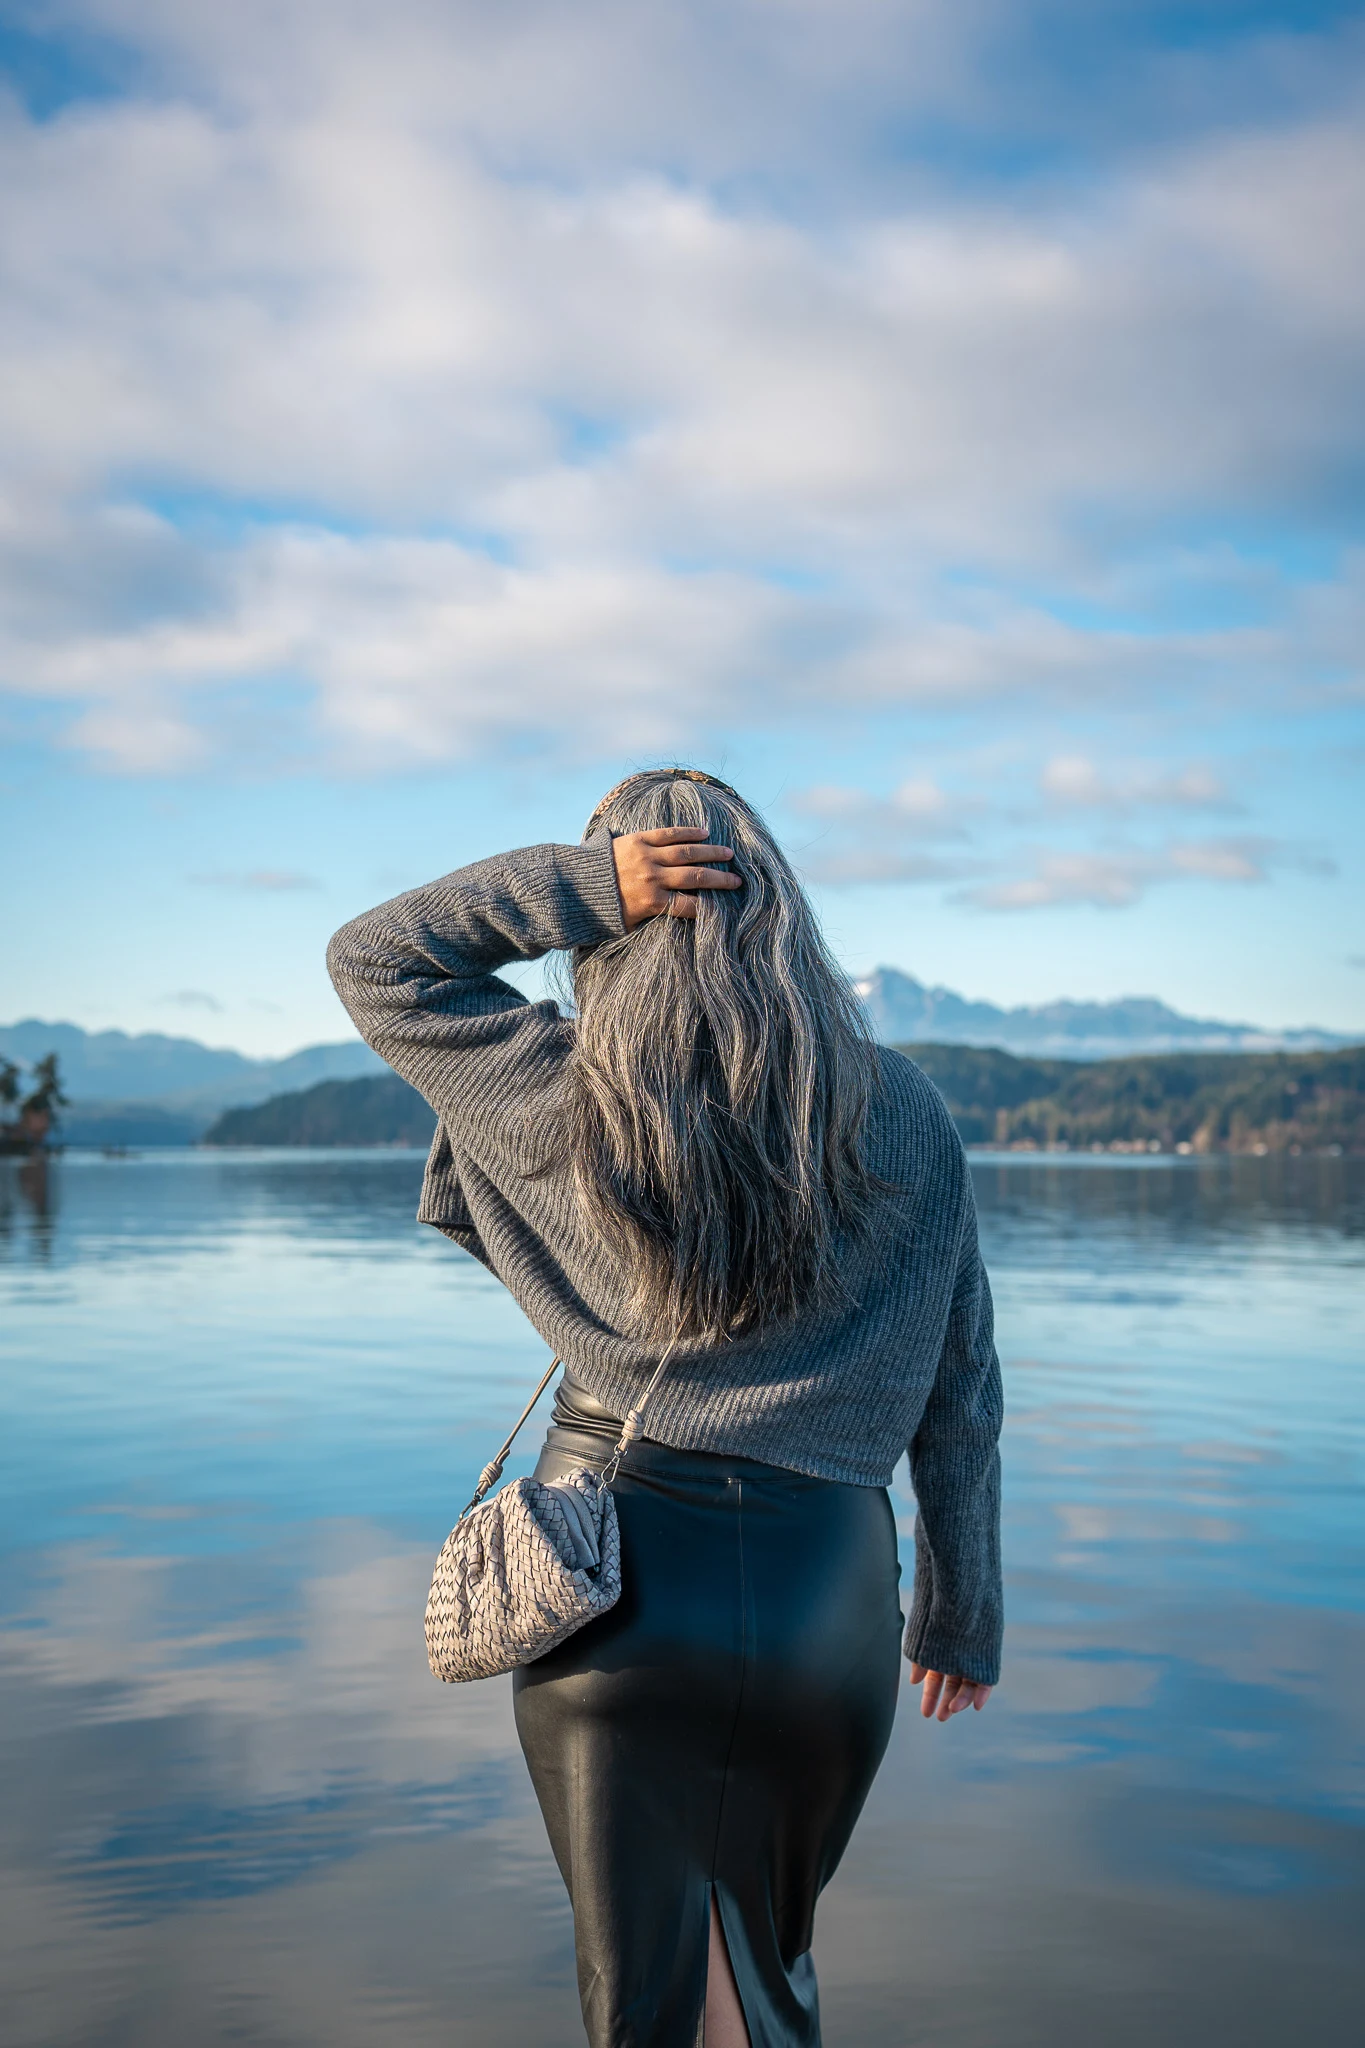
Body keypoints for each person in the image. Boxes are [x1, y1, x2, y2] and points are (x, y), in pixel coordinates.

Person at [327, 768, 1002, 2048]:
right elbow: (963, 1385)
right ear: (782, 907)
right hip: (831, 1601)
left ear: (614, 931)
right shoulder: (902, 1105)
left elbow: (375, 960)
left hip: (615, 1578)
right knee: (764, 1977)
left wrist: (584, 887)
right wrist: (966, 1606)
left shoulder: (559, 1094)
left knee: (647, 2006)